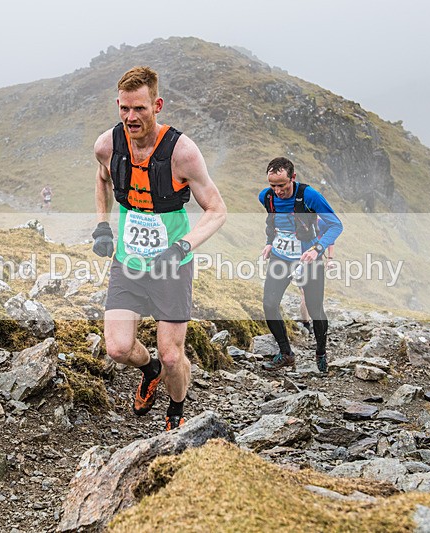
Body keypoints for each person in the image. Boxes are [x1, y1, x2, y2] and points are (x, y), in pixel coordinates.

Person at [91, 66, 227, 431]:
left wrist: (181, 247)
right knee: (118, 349)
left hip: (171, 266)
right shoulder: (107, 146)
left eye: (139, 108)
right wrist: (103, 225)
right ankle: (148, 369)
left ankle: (176, 411)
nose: (131, 117)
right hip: (128, 261)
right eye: (124, 108)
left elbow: (217, 210)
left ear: (157, 105)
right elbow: (102, 179)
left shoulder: (183, 153)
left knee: (171, 355)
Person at [259, 157, 342, 373]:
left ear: (293, 178)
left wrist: (317, 249)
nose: (278, 191)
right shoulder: (266, 197)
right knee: (269, 304)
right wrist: (269, 243)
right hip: (281, 257)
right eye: (273, 185)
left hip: (308, 259)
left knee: (315, 309)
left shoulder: (309, 195)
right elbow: (273, 222)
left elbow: (336, 225)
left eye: (282, 185)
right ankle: (286, 353)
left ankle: (321, 351)